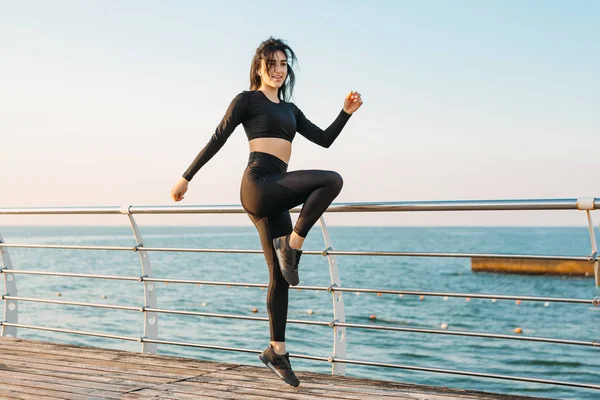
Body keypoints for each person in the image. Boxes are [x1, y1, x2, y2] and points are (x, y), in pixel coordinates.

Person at [170, 36, 362, 387]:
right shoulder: (247, 101)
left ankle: (277, 350)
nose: (277, 70)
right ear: (259, 67)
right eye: (271, 64)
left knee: (280, 276)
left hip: (276, 190)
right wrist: (186, 177)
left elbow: (324, 139)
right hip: (258, 183)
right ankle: (295, 243)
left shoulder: (291, 109)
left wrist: (345, 113)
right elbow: (218, 137)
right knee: (331, 180)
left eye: (283, 64)